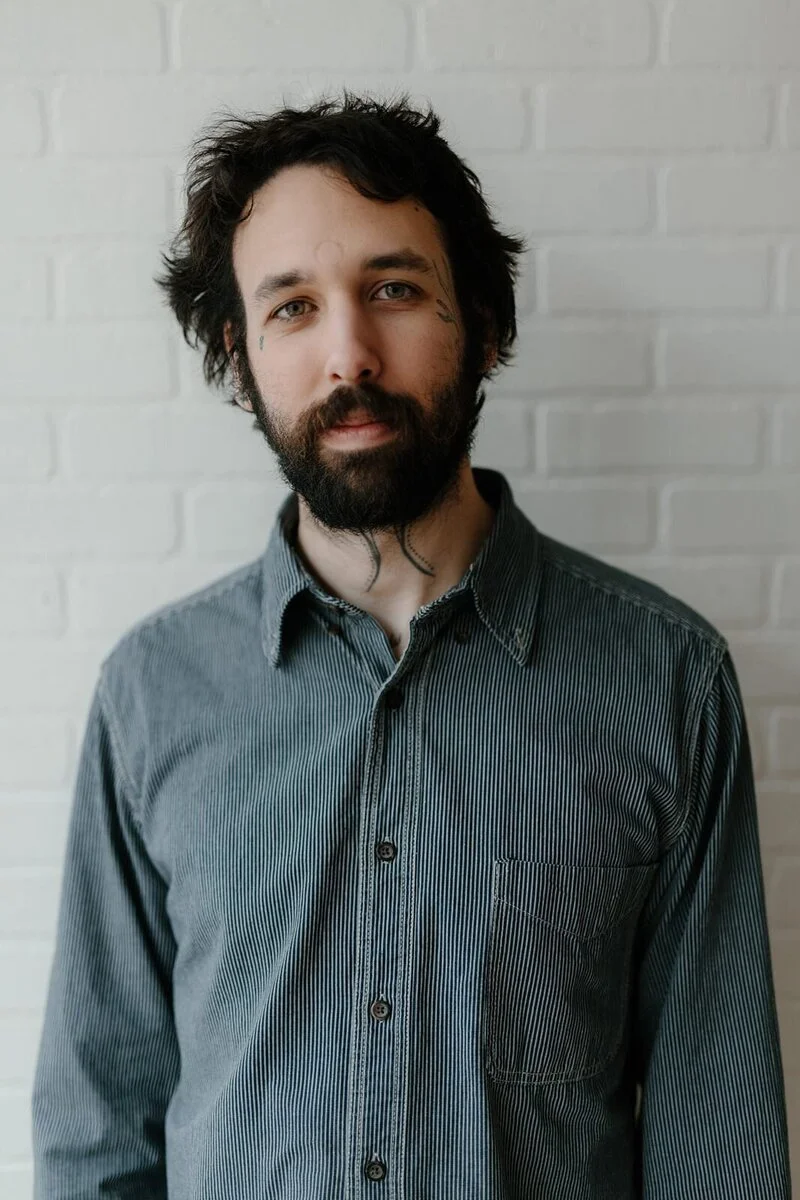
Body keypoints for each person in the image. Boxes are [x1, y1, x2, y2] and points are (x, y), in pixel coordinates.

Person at [32, 91, 791, 1199]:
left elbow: (713, 1146)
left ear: (482, 323)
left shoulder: (664, 682)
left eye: (393, 289)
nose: (349, 354)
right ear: (238, 362)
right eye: (291, 308)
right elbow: (99, 1130)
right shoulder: (154, 695)